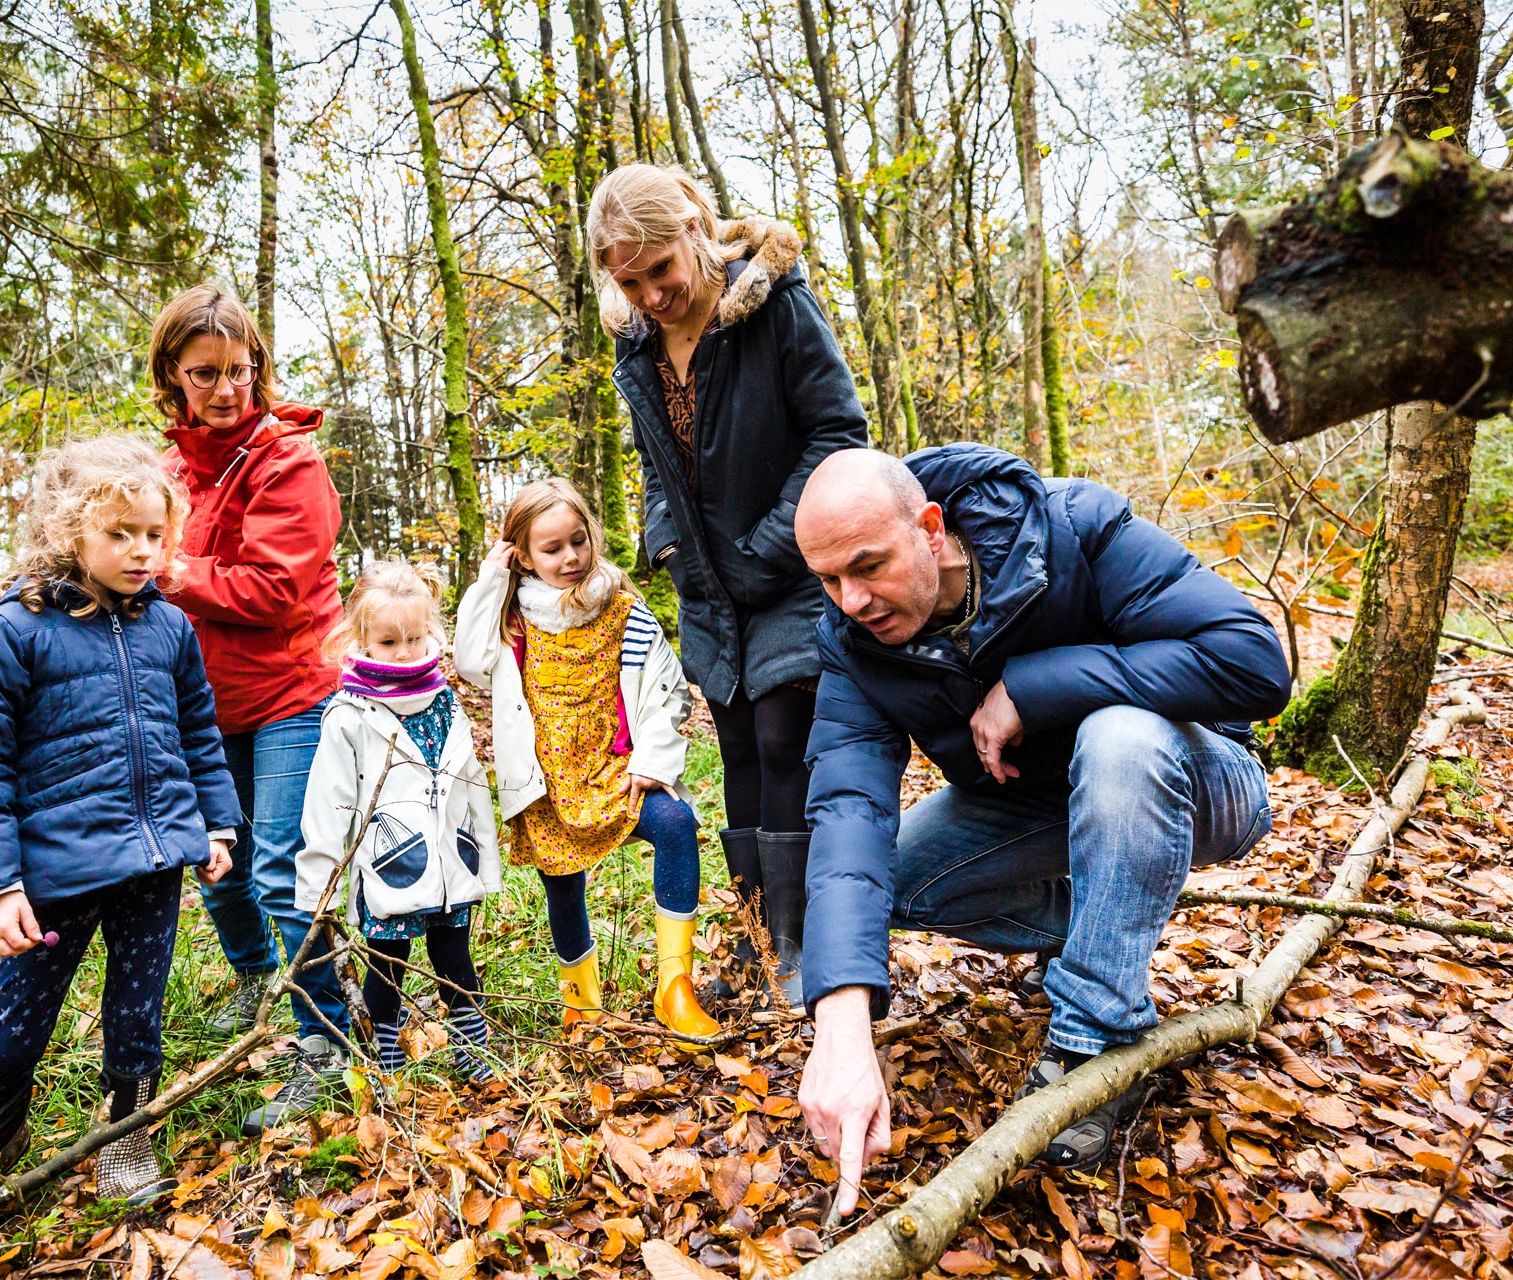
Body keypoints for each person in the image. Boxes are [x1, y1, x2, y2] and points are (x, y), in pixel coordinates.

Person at [793, 445, 1291, 1206]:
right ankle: (1095, 929)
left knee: (1119, 737)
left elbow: (1253, 662)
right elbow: (848, 812)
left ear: (930, 529)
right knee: (897, 881)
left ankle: (1092, 1037)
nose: (852, 600)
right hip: (1037, 804)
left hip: (1197, 773)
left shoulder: (1068, 528)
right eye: (829, 581)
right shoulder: (853, 642)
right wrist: (840, 1018)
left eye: (867, 566)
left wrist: (1036, 687)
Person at [0, 435, 243, 1240]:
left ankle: (126, 1130)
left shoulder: (171, 630)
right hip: (52, 875)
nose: (141, 550)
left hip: (153, 866)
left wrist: (213, 824)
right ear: (67, 532)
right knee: (18, 1024)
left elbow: (198, 734)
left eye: (154, 533)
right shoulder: (12, 631)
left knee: (138, 1012)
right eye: (119, 534)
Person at [586, 163, 868, 1005]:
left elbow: (837, 431)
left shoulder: (774, 308)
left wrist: (773, 545)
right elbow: (651, 465)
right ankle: (753, 935)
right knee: (736, 747)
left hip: (788, 565)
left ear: (695, 229)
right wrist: (665, 543)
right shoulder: (634, 342)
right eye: (629, 281)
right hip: (706, 584)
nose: (650, 295)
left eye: (660, 271)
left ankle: (795, 943)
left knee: (785, 740)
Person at [147, 282, 349, 1133]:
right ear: (171, 378)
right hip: (202, 698)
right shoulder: (161, 472)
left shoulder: (287, 459)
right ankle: (254, 976)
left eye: (240, 369)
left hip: (293, 685)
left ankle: (325, 1043)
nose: (226, 389)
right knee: (211, 856)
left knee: (279, 865)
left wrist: (167, 573)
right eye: (205, 374)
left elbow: (273, 588)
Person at [453, 478, 718, 1042]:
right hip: (548, 781)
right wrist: (490, 579)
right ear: (522, 555)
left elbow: (666, 689)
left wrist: (654, 760)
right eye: (551, 549)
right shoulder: (511, 620)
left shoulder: (624, 610)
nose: (570, 557)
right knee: (562, 880)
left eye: (578, 541)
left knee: (676, 824)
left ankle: (676, 987)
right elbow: (470, 662)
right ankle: (582, 1000)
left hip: (616, 770)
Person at [298, 561, 503, 1082]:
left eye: (414, 637)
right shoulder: (350, 712)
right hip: (390, 864)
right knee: (386, 963)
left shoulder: (446, 701)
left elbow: (472, 783)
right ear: (361, 638)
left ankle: (471, 1045)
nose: (405, 651)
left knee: (455, 958)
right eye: (389, 642)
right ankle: (385, 1056)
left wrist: (485, 861)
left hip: (452, 864)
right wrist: (320, 885)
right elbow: (329, 804)